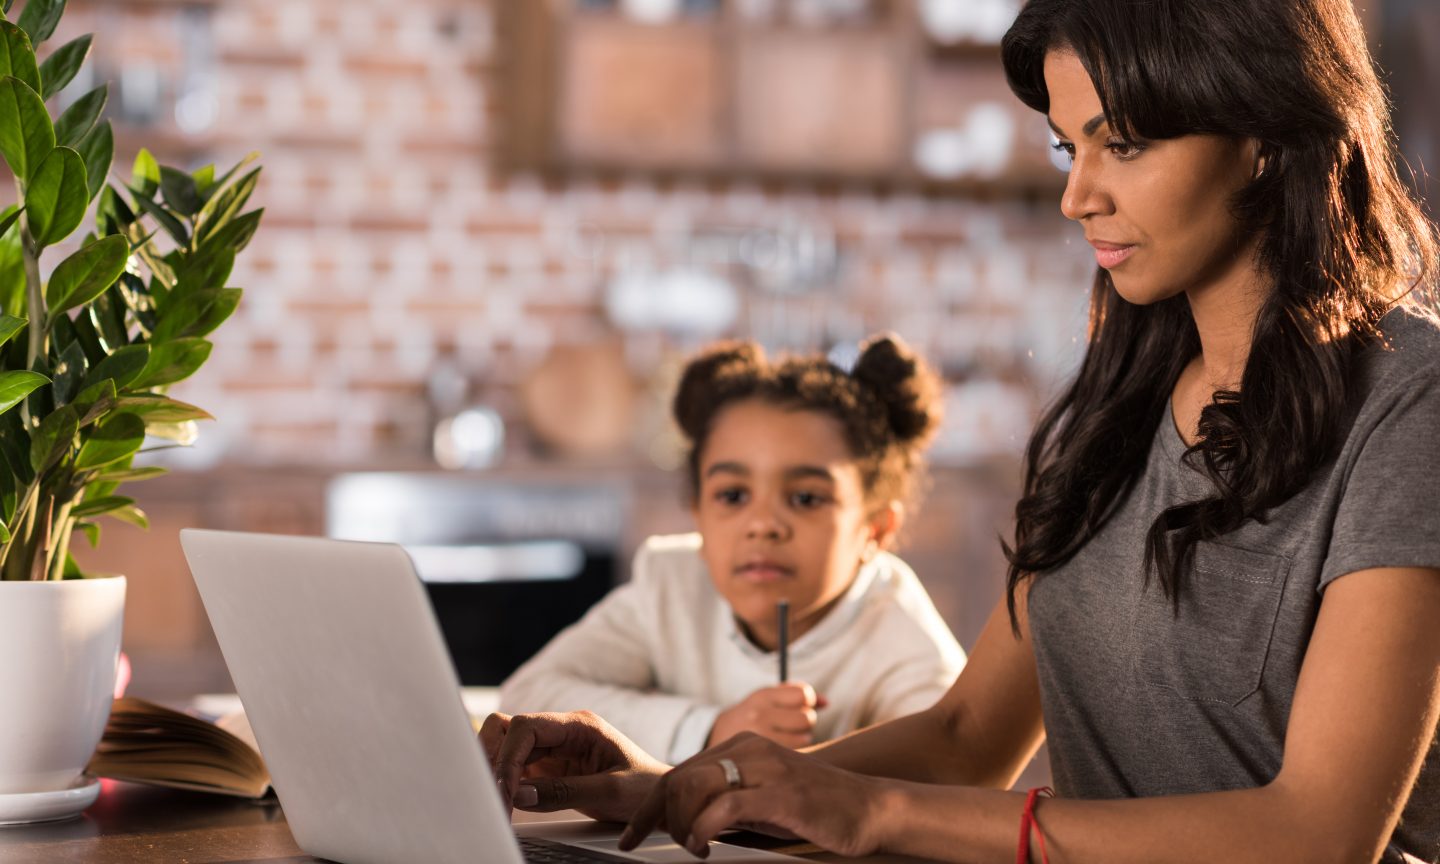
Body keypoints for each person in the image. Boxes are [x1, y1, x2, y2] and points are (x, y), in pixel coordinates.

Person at [481, 0, 1440, 860]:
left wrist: (878, 816)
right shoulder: (1117, 407)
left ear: (1266, 134)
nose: (1078, 195)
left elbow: (1319, 833)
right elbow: (966, 737)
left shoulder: (1411, 405)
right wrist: (683, 784)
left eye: (1126, 144)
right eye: (1070, 148)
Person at [497, 336, 965, 763]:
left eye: (805, 498)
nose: (762, 525)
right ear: (698, 513)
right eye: (733, 496)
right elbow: (528, 696)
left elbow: (951, 769)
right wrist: (711, 729)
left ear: (875, 529)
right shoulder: (672, 584)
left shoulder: (907, 643)